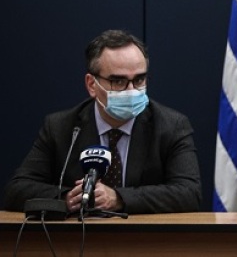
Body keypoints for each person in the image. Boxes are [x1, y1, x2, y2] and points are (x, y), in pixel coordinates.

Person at [4, 30, 201, 214]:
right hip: (78, 237)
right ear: (92, 85)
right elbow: (17, 190)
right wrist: (67, 198)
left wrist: (119, 198)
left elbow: (189, 193)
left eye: (139, 80)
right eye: (118, 82)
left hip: (142, 237)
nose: (131, 90)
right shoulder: (60, 127)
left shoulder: (171, 126)